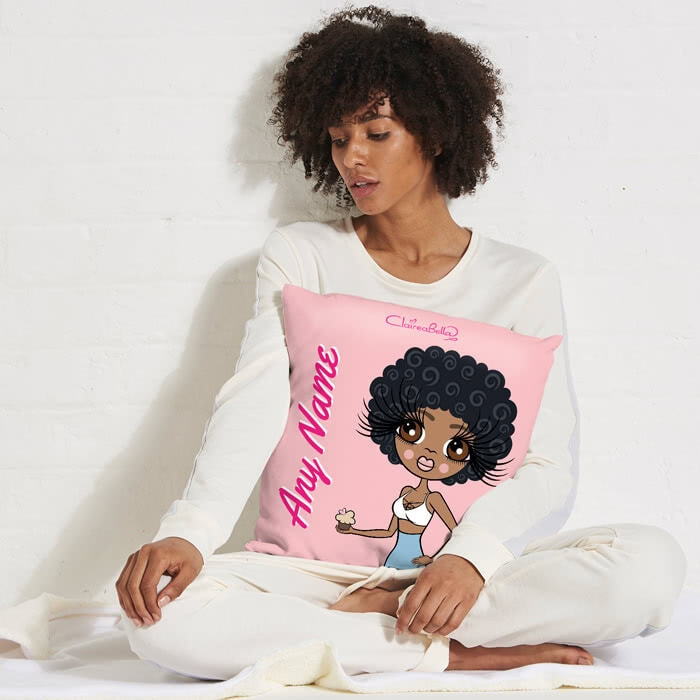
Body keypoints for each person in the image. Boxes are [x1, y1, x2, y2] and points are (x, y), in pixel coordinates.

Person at [116, 6, 687, 680]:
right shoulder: (302, 253)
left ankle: (385, 626)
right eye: (338, 139)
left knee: (651, 569)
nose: (352, 157)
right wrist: (191, 530)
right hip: (308, 574)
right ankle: (449, 652)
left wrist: (470, 557)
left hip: (455, 577)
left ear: (436, 132)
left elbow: (546, 465)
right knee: (156, 621)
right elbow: (253, 406)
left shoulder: (522, 280)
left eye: (376, 133)